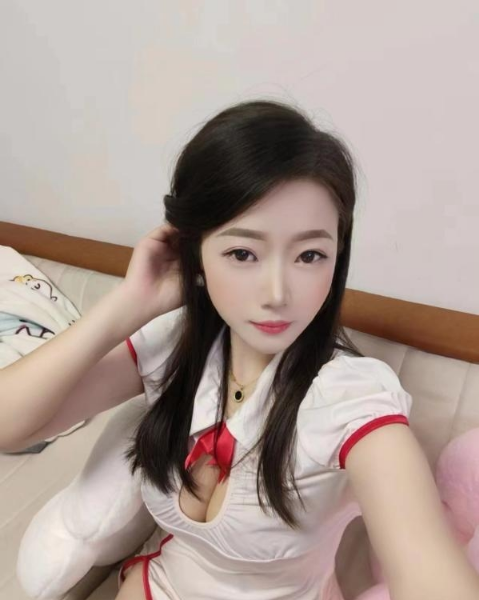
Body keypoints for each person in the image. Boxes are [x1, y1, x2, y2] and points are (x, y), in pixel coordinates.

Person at [2, 100, 476, 600]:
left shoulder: (350, 398)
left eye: (310, 255)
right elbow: (12, 426)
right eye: (243, 253)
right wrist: (129, 303)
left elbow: (429, 573)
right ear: (195, 254)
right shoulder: (176, 346)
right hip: (158, 586)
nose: (277, 292)